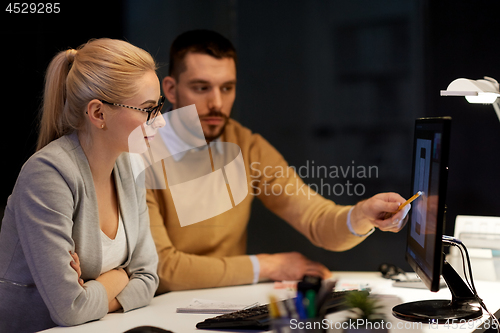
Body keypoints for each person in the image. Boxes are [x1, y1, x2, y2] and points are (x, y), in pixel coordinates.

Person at [146, 30, 410, 294]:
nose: (216, 103)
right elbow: (163, 269)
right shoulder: (141, 153)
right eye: (201, 88)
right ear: (170, 89)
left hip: (224, 303)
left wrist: (362, 214)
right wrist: (268, 266)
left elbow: (316, 219)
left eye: (227, 88)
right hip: (158, 310)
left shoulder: (245, 145)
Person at [0, 38, 164, 332]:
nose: (160, 121)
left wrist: (95, 289)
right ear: (98, 113)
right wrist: (120, 276)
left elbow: (149, 278)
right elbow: (69, 309)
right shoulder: (46, 174)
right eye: (148, 109)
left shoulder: (129, 164)